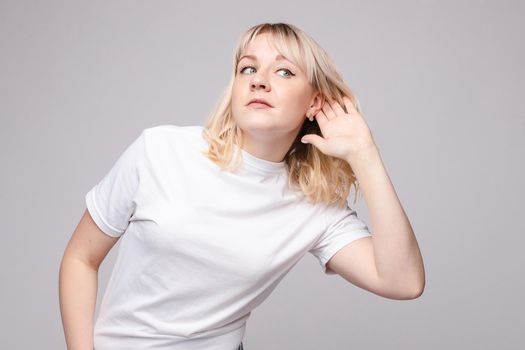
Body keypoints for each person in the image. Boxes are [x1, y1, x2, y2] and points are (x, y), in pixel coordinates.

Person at [59, 22, 425, 350]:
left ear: (315, 101)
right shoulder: (159, 151)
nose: (259, 79)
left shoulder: (314, 206)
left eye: (284, 71)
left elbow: (403, 282)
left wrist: (365, 154)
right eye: (247, 68)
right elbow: (80, 258)